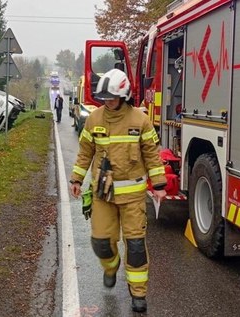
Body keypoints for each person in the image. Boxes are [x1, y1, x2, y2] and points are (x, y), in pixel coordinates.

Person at [69, 69, 167, 313]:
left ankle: (138, 294)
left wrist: (159, 185)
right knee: (101, 242)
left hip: (133, 197)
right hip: (104, 195)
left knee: (135, 247)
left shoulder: (140, 120)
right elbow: (84, 153)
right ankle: (110, 267)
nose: (107, 102)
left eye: (111, 97)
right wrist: (76, 180)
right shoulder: (94, 119)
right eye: (104, 98)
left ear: (123, 95)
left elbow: (152, 155)